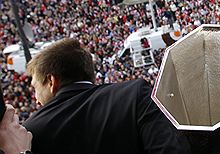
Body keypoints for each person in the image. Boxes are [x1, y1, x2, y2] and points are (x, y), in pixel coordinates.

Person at [23, 38, 190, 154]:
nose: (36, 99)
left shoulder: (30, 133)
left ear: (52, 82)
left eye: (36, 87)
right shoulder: (134, 95)